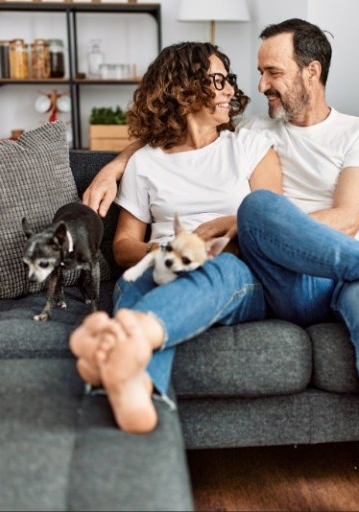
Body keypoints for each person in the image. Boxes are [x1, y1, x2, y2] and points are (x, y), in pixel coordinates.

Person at [76, 21, 359, 512]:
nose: (259, 84)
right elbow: (173, 135)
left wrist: (232, 224)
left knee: (278, 228)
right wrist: (114, 162)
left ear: (311, 72)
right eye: (253, 73)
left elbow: (347, 219)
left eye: (272, 72)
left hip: (354, 274)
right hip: (285, 281)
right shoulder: (253, 130)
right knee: (257, 214)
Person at [70, 41, 283, 434]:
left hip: (235, 270)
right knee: (140, 282)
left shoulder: (250, 147)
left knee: (219, 270)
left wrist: (212, 243)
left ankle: (118, 347)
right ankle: (137, 388)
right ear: (183, 89)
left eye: (228, 80)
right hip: (165, 263)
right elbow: (122, 247)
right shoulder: (146, 161)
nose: (230, 92)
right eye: (217, 81)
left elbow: (272, 224)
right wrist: (164, 252)